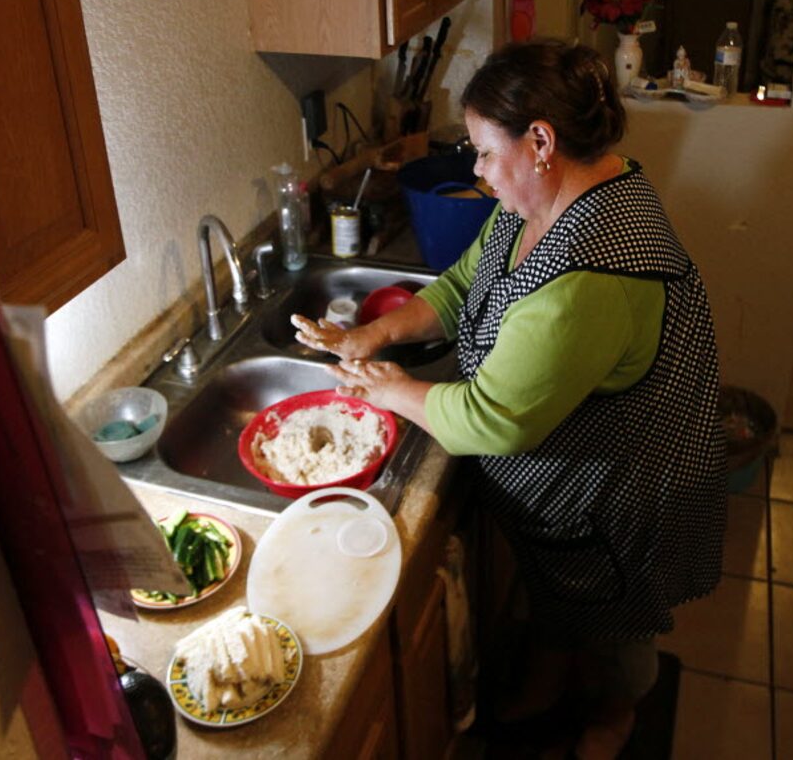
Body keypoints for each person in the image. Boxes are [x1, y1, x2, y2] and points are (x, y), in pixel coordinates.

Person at [291, 39, 726, 758]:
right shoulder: (546, 198)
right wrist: (375, 333)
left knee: (614, 626)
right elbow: (465, 285)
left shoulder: (590, 278)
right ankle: (554, 670)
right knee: (562, 595)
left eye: (486, 152)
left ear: (542, 141)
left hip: (614, 492)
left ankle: (613, 716)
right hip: (568, 488)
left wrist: (391, 386)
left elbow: (489, 420)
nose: (478, 171)